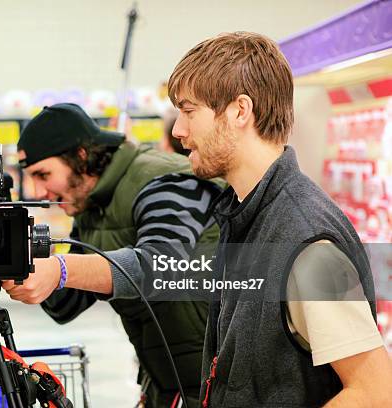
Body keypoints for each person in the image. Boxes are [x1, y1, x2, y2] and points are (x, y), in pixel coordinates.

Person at [167, 31, 392, 407]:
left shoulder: (307, 242)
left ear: (240, 110)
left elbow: (374, 392)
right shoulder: (247, 213)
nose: (178, 130)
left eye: (189, 111)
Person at [2, 103, 223, 407]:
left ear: (80, 156)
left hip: (220, 383)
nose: (39, 192)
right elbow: (64, 304)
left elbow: (158, 268)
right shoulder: (92, 209)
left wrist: (61, 268)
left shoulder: (165, 181)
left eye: (43, 174)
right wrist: (20, 258)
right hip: (167, 383)